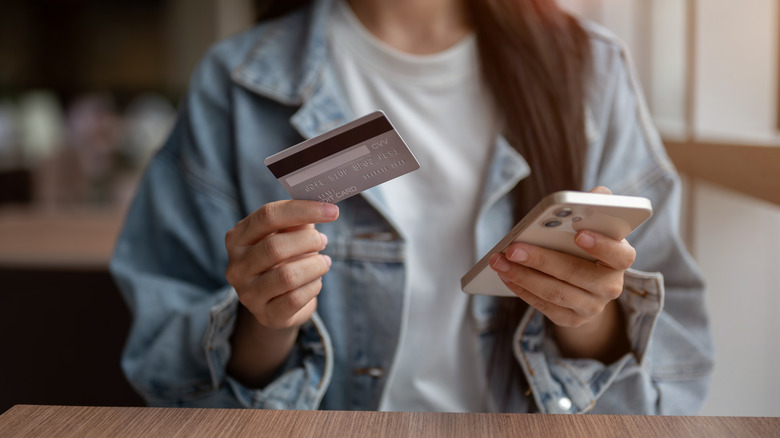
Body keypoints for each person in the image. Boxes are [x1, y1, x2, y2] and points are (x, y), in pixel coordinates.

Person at [110, 0, 714, 413]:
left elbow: (676, 365)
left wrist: (588, 316)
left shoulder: (589, 70)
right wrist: (265, 322)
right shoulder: (237, 83)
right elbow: (165, 362)